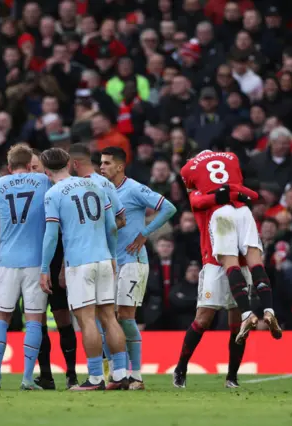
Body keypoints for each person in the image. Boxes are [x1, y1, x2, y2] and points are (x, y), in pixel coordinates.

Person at [39, 147, 128, 391]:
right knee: (109, 317)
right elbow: (112, 225)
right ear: (68, 163)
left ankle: (96, 379)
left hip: (80, 262)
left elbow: (51, 235)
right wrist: (111, 255)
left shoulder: (53, 193)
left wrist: (45, 267)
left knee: (87, 319)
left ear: (46, 171)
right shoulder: (96, 186)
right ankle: (121, 375)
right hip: (103, 258)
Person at [180, 150, 282, 345]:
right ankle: (269, 311)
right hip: (242, 212)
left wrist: (218, 196)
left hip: (220, 225)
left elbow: (196, 199)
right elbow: (252, 194)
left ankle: (247, 315)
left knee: (230, 266)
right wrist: (234, 193)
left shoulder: (189, 171)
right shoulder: (231, 157)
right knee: (256, 261)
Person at [99, 146, 177, 389]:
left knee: (125, 316)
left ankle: (137, 375)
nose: (101, 167)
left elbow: (169, 208)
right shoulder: (101, 190)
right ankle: (116, 375)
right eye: (100, 163)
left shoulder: (133, 188)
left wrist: (145, 234)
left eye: (106, 163)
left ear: (120, 166)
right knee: (105, 318)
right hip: (109, 261)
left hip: (133, 261)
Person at [172, 182, 258, 388]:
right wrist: (220, 196)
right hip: (215, 265)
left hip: (241, 264)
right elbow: (196, 199)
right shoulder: (201, 196)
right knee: (203, 319)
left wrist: (231, 189)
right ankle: (181, 368)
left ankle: (232, 377)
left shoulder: (231, 191)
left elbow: (254, 195)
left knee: (238, 324)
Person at [0, 145, 51, 390]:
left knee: (1, 317)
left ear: (9, 166)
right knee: (33, 320)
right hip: (36, 261)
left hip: (6, 261)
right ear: (30, 163)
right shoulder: (44, 180)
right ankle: (26, 379)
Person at [28, 150, 79, 390]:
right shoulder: (31, 192)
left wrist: (61, 266)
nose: (34, 172)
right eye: (30, 168)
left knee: (62, 318)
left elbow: (65, 232)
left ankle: (71, 375)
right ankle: (46, 375)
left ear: (46, 170)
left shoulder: (57, 192)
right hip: (32, 263)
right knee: (37, 320)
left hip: (56, 260)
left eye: (36, 167)